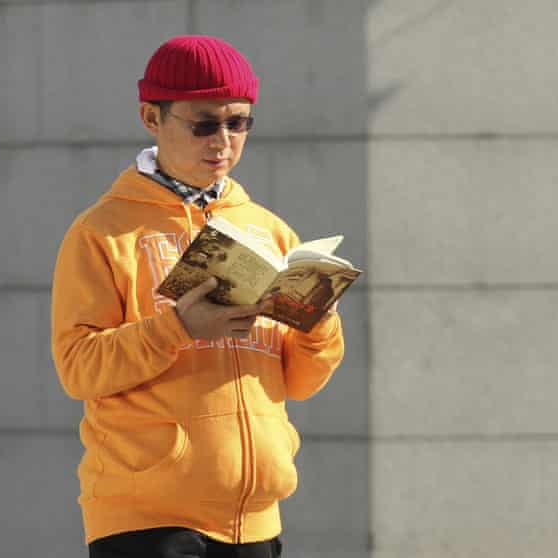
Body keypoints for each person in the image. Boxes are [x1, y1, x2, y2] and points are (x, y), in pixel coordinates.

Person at [51, 35, 345, 558]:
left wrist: (318, 322)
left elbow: (301, 382)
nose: (223, 141)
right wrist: (179, 328)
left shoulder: (271, 232)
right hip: (147, 521)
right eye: (204, 124)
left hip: (255, 520)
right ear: (151, 117)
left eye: (239, 123)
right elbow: (78, 369)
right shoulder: (103, 232)